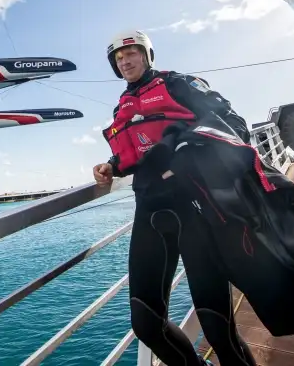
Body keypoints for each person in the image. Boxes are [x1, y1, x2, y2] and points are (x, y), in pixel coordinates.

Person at [92, 30, 257, 366]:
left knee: (217, 329)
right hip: (151, 212)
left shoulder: (179, 85)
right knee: (146, 323)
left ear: (147, 55)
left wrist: (186, 158)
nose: (125, 61)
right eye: (119, 58)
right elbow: (138, 153)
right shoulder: (122, 106)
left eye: (132, 54)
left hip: (197, 211)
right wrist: (111, 166)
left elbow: (236, 127)